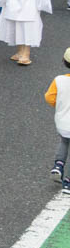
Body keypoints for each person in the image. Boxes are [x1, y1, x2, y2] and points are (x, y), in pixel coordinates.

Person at [45, 47, 70, 195]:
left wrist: (59, 105)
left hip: (63, 122)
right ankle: (68, 183)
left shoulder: (59, 80)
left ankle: (58, 165)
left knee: (64, 142)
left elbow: (49, 97)